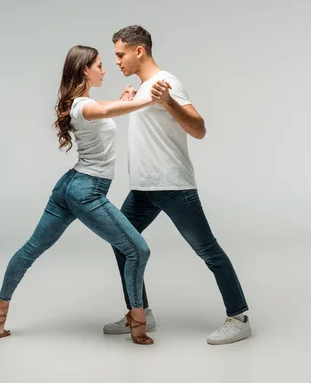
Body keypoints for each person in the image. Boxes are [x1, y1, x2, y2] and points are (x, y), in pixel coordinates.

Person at [0, 45, 155, 345]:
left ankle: (0, 308)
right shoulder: (83, 106)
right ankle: (138, 320)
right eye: (100, 65)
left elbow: (103, 109)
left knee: (32, 248)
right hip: (87, 191)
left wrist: (125, 99)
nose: (105, 70)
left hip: (70, 186)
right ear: (84, 70)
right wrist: (145, 99)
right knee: (137, 250)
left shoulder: (82, 102)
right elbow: (101, 111)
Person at [102, 26, 251, 345]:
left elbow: (199, 128)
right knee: (121, 241)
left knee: (207, 249)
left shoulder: (165, 83)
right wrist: (129, 103)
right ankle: (140, 313)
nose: (116, 62)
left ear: (138, 51)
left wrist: (169, 102)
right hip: (143, 189)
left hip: (172, 185)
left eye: (120, 54)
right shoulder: (144, 88)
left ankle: (239, 317)